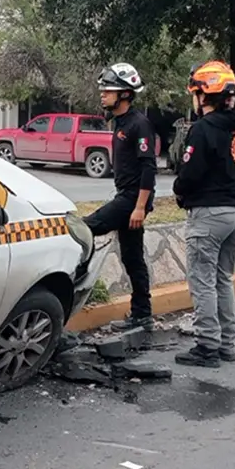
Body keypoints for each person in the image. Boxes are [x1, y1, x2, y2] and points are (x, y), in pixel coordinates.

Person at [172, 60, 235, 367]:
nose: (194, 99)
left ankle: (207, 345)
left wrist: (179, 190)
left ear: (205, 95)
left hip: (210, 214)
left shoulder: (203, 129)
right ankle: (226, 344)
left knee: (202, 280)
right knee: (223, 279)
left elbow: (190, 173)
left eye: (196, 93)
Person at [84, 63, 158, 331]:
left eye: (108, 91)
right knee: (132, 257)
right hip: (125, 196)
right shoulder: (120, 122)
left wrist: (139, 207)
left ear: (125, 94)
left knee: (84, 228)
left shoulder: (139, 124)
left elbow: (149, 168)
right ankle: (142, 314)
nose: (103, 95)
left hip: (132, 199)